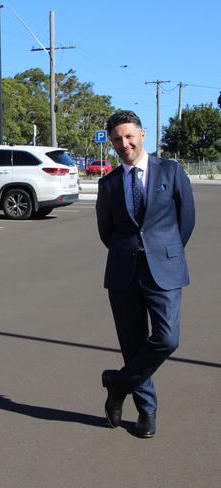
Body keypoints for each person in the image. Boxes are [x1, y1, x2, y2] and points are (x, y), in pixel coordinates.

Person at [96, 110, 195, 438]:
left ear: (142, 134)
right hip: (124, 273)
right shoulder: (108, 183)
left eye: (129, 136)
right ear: (111, 143)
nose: (124, 144)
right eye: (117, 139)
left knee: (167, 338)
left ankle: (119, 382)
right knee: (133, 345)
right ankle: (146, 412)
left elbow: (186, 219)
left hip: (165, 268)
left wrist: (163, 251)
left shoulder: (171, 170)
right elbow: (106, 231)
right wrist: (131, 252)